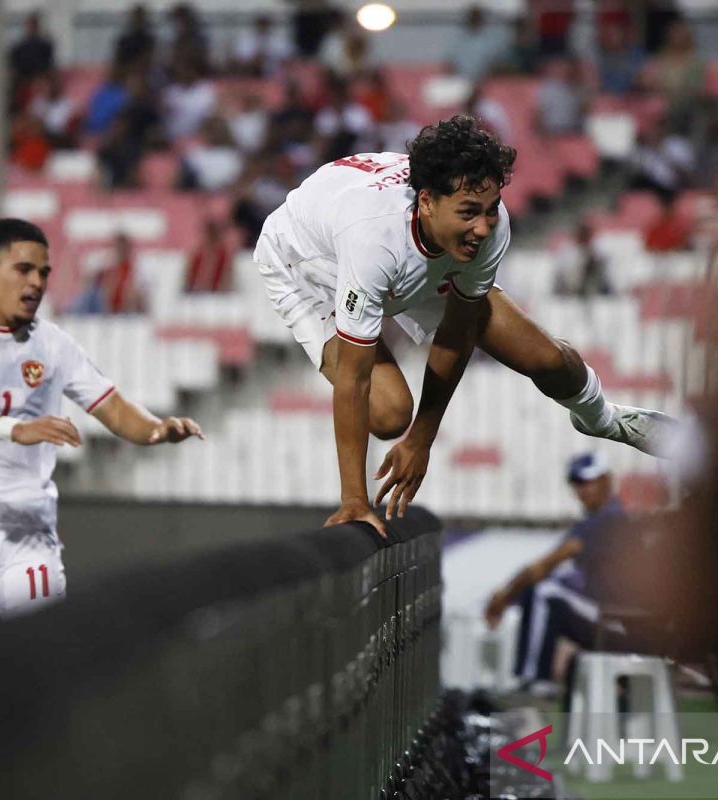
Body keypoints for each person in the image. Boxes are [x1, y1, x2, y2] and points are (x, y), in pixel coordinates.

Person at [253, 116, 675, 537]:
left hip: (409, 256)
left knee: (549, 359)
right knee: (388, 413)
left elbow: (458, 331)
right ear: (427, 201)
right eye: (470, 212)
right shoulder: (372, 242)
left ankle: (605, 420)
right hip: (307, 269)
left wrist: (423, 438)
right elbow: (354, 377)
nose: (483, 226)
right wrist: (354, 502)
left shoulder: (487, 228)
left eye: (490, 210)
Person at [0, 218, 203, 644]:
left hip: (29, 532)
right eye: (24, 269)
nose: (37, 282)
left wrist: (158, 429)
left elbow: (112, 406)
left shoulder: (54, 344)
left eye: (44, 272)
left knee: (40, 654)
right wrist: (14, 429)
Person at [483, 453, 627, 684]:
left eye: (586, 481)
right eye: (576, 483)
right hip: (607, 612)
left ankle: (533, 682)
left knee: (545, 592)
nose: (581, 490)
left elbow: (543, 566)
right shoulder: (598, 519)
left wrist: (504, 597)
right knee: (546, 587)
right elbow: (545, 568)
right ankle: (531, 679)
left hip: (619, 619)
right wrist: (510, 596)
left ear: (606, 480)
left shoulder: (609, 518)